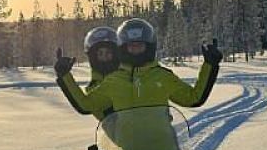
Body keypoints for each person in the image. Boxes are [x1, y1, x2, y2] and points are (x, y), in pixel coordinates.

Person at [57, 17, 223, 117]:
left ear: (148, 47)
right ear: (123, 48)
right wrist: (65, 76)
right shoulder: (113, 81)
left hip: (163, 149)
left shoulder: (162, 77)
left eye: (140, 46)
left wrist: (210, 65)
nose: (135, 50)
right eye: (131, 46)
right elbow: (86, 105)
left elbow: (193, 98)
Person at [55, 26, 120, 119]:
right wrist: (64, 75)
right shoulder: (96, 84)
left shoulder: (123, 78)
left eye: (108, 53)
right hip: (117, 132)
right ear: (93, 57)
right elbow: (85, 105)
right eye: (100, 54)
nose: (105, 57)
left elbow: (85, 106)